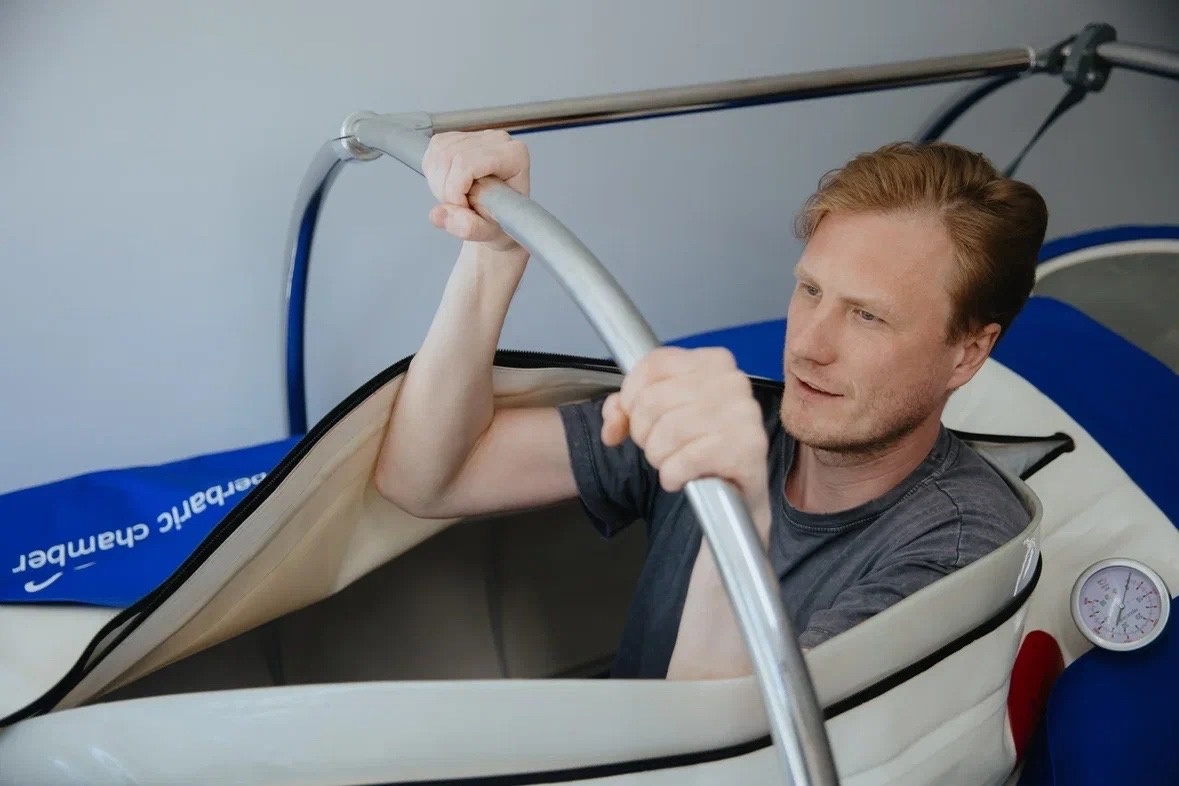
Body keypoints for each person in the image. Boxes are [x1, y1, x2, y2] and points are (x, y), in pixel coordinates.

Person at [373, 129, 1048, 681]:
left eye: (868, 316)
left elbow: (744, 758)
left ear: (967, 354)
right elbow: (428, 478)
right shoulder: (747, 421)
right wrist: (495, 254)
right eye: (810, 291)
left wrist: (739, 510)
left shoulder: (958, 549)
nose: (808, 347)